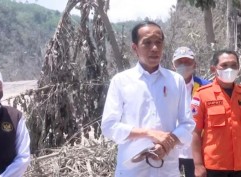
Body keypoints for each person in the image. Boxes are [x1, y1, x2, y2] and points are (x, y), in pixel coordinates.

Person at [101, 21, 195, 177]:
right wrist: (148, 134)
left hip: (167, 169)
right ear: (135, 48)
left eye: (158, 42)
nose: (154, 48)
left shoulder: (176, 80)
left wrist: (167, 143)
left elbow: (187, 123)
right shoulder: (121, 81)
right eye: (147, 43)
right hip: (132, 170)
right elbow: (109, 126)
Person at [191, 50, 241, 177]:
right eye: (224, 65)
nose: (229, 69)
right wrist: (197, 165)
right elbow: (194, 132)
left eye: (234, 65)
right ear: (214, 69)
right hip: (215, 166)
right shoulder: (202, 95)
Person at [172, 46, 210, 177]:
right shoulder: (166, 86)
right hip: (171, 151)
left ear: (195, 64)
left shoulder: (206, 86)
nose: (183, 65)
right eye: (179, 62)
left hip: (196, 153)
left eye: (187, 61)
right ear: (173, 65)